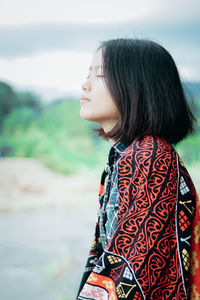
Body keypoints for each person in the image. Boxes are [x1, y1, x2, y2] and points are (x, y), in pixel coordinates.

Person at [77, 38, 200, 299]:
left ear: (137, 88)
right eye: (88, 74)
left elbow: (134, 270)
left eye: (100, 75)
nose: (84, 84)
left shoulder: (150, 156)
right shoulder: (124, 157)